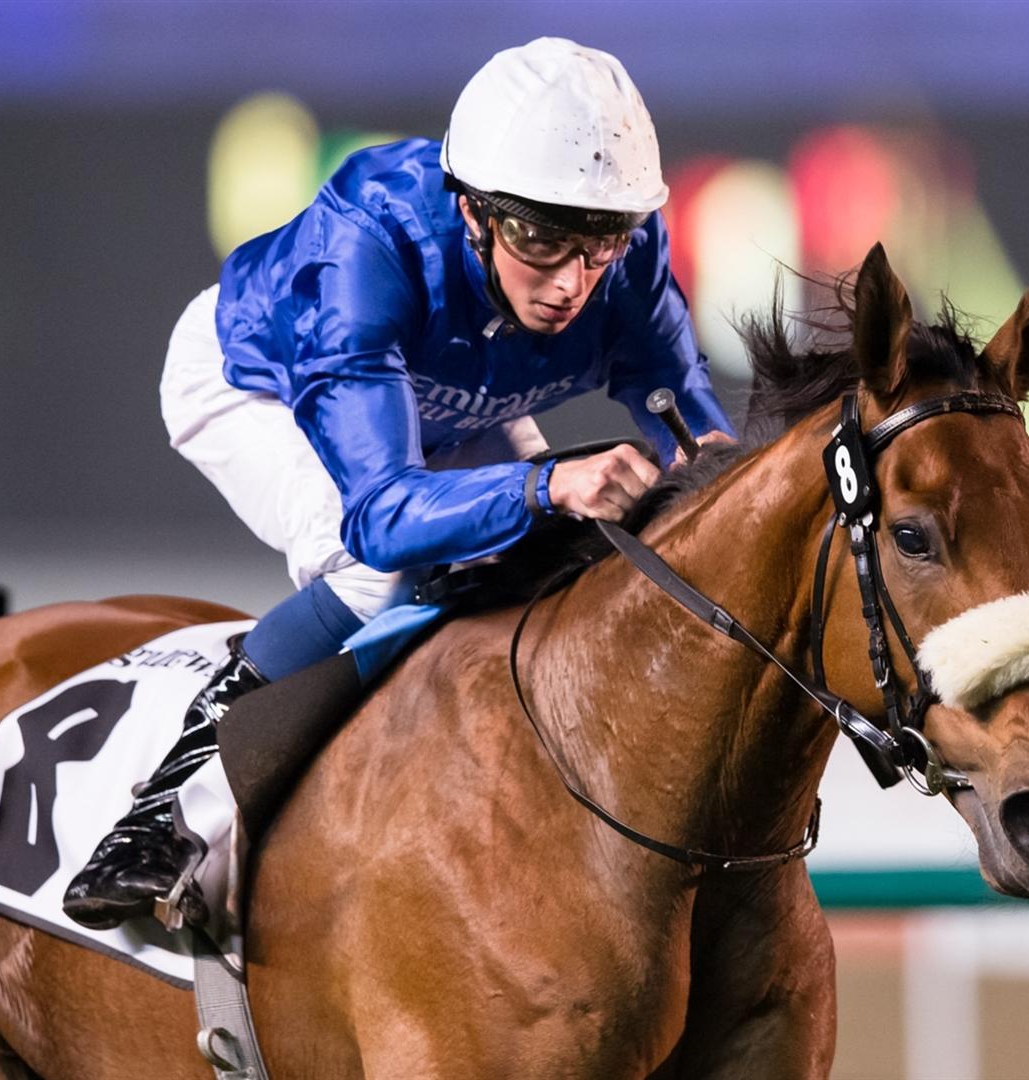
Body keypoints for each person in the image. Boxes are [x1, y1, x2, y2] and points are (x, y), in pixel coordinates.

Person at [64, 38, 733, 930]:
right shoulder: (369, 246)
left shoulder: (631, 254)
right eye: (539, 238)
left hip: (440, 401)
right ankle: (162, 813)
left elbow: (702, 446)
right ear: (473, 212)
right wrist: (547, 484)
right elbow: (381, 516)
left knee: (552, 556)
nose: (572, 281)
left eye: (599, 241)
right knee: (373, 573)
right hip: (254, 382)